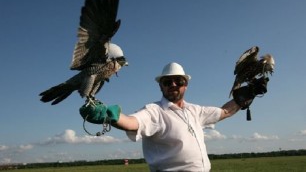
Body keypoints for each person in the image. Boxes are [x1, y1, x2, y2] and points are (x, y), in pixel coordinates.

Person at [80, 62, 269, 172]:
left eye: (179, 81)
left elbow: (225, 111)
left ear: (186, 85)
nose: (173, 84)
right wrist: (111, 116)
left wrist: (249, 94)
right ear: (160, 86)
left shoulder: (195, 111)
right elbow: (132, 122)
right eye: (167, 81)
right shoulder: (154, 111)